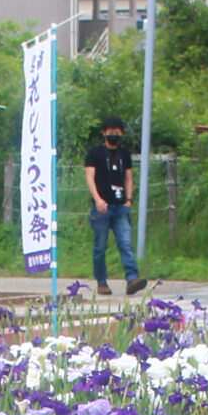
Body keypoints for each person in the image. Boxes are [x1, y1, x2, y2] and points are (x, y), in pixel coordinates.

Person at [84, 117, 146, 297]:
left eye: (117, 131)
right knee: (100, 246)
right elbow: (89, 177)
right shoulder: (95, 153)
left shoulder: (124, 154)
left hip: (120, 207)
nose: (114, 134)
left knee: (126, 243)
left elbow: (128, 177)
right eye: (110, 131)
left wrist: (129, 199)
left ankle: (132, 279)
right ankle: (102, 282)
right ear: (104, 132)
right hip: (102, 207)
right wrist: (97, 199)